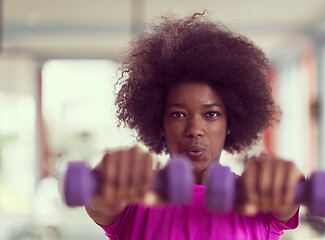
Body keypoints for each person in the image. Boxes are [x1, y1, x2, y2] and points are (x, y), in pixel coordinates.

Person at [85, 12, 304, 239]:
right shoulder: (132, 199)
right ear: (160, 123)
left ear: (231, 122)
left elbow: (289, 199)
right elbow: (98, 203)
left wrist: (288, 181)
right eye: (178, 114)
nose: (195, 129)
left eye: (211, 114)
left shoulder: (257, 199)